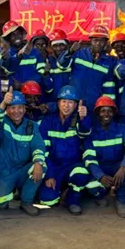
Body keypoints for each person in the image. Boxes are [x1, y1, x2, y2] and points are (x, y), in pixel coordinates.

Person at [0, 88, 46, 216]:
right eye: (12, 108)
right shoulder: (2, 122)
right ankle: (10, 190)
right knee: (0, 202)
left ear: (25, 109)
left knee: (41, 166)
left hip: (21, 170)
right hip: (4, 171)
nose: (16, 111)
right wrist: (3, 103)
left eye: (20, 108)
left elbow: (38, 146)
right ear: (7, 110)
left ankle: (26, 201)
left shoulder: (32, 126)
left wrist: (38, 162)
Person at [83, 96, 125, 218]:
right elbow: (89, 159)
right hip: (100, 168)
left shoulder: (122, 128)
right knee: (90, 184)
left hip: (117, 167)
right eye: (103, 110)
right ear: (98, 113)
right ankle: (100, 194)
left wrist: (123, 168)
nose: (106, 114)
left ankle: (122, 201)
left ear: (114, 113)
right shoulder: (91, 132)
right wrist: (100, 176)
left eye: (109, 111)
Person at [38, 86, 91, 215]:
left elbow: (84, 133)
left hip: (72, 166)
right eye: (63, 101)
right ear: (58, 103)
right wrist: (49, 175)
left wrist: (83, 119)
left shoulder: (80, 120)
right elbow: (44, 150)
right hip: (54, 166)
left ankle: (72, 199)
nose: (66, 106)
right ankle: (62, 190)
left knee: (81, 173)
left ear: (76, 105)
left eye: (70, 102)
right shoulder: (47, 122)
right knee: (47, 201)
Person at [58, 25, 117, 106]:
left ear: (106, 43)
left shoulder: (109, 62)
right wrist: (70, 51)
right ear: (90, 40)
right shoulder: (79, 54)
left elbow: (109, 87)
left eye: (102, 41)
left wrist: (106, 106)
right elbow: (61, 65)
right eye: (95, 40)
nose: (98, 43)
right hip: (74, 104)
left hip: (93, 106)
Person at [0, 21, 51, 92]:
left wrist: (23, 85)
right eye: (12, 35)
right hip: (15, 96)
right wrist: (18, 56)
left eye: (18, 33)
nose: (16, 37)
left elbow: (41, 75)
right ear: (8, 39)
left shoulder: (34, 52)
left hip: (34, 95)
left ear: (22, 34)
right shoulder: (5, 55)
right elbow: (8, 71)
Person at [46, 29, 71, 102]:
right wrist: (46, 75)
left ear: (66, 45)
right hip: (54, 101)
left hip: (71, 102)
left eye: (61, 45)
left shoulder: (73, 60)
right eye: (55, 46)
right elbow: (47, 89)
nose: (58, 48)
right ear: (51, 47)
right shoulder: (48, 62)